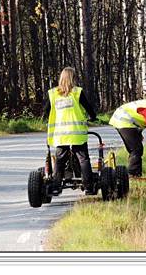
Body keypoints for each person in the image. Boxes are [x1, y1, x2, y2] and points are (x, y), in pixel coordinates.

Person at [44, 67, 97, 195]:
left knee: (60, 159)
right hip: (77, 134)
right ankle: (89, 187)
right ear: (73, 78)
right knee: (83, 159)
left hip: (60, 135)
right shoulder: (77, 92)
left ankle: (56, 186)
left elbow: (45, 112)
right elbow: (89, 108)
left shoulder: (53, 94)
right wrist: (93, 117)